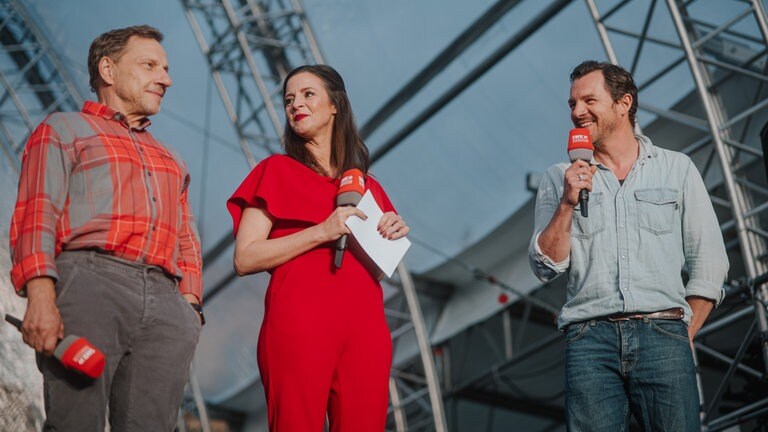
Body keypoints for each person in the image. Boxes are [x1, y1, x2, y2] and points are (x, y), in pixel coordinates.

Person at [9, 25, 203, 431]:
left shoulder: (172, 159)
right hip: (90, 283)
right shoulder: (63, 129)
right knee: (76, 421)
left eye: (165, 68)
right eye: (150, 65)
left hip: (167, 301)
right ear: (108, 70)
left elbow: (186, 237)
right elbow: (36, 215)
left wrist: (189, 307)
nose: (165, 78)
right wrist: (40, 296)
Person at [529, 60, 728, 431]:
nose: (577, 112)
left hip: (663, 333)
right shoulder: (559, 178)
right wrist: (568, 202)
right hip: (589, 341)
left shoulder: (676, 168)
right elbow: (544, 265)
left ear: (624, 103)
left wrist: (683, 334)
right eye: (572, 104)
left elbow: (711, 262)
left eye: (589, 100)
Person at [227, 64, 409, 431]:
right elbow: (245, 257)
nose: (296, 104)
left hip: (365, 329)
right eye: (289, 99)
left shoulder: (367, 185)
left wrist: (391, 230)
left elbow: (373, 267)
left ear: (335, 105)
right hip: (299, 323)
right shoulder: (275, 171)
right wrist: (321, 231)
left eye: (308, 94)